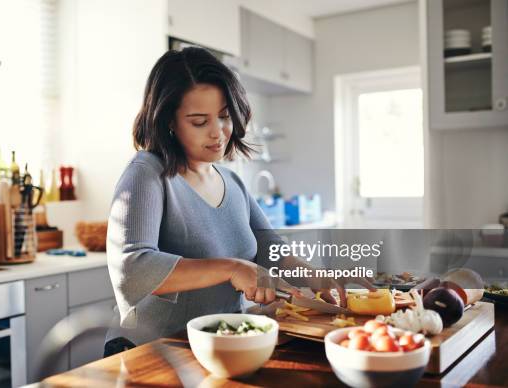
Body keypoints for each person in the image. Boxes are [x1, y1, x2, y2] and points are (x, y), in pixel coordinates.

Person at [104, 47, 370, 357]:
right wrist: (232, 268)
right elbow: (131, 268)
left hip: (216, 347)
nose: (218, 133)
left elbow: (272, 250)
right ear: (169, 121)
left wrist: (315, 275)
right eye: (199, 121)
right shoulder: (146, 174)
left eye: (224, 116)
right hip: (150, 350)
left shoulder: (232, 181)